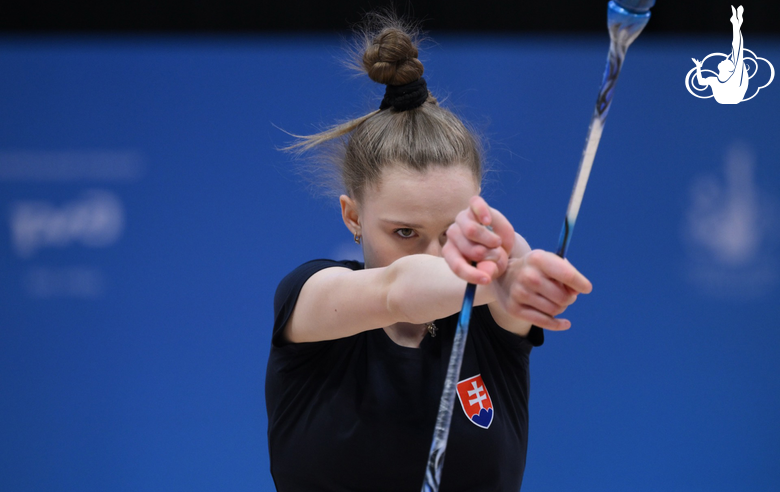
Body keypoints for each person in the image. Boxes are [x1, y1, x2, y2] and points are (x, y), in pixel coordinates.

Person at [265, 15, 592, 492]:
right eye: (404, 231)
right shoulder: (313, 297)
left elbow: (514, 255)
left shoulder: (495, 319)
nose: (434, 255)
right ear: (352, 217)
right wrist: (497, 280)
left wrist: (515, 270)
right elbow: (399, 291)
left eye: (452, 229)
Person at [692, 5, 747, 104]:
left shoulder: (735, 78)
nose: (725, 59)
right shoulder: (714, 80)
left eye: (727, 61)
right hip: (727, 98)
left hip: (733, 98)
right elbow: (701, 82)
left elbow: (737, 48)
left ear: (730, 69)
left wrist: (736, 26)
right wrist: (698, 67)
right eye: (727, 60)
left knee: (737, 50)